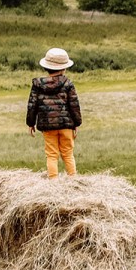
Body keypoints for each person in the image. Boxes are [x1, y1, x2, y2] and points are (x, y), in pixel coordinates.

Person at [26, 47, 83, 178]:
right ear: (64, 68)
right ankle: (73, 179)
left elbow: (32, 105)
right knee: (68, 153)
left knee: (52, 155)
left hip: (48, 127)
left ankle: (53, 183)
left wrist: (30, 123)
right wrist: (77, 123)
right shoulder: (68, 84)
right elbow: (74, 105)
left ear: (46, 67)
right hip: (66, 125)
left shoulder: (37, 85)